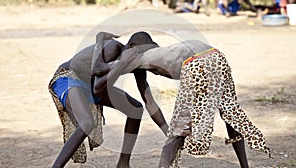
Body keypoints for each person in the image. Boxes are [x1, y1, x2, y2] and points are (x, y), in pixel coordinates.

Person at [94, 40, 271, 168]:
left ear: (132, 47)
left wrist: (99, 42)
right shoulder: (161, 51)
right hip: (217, 57)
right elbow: (149, 99)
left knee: (177, 131)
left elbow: (99, 70)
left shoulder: (135, 56)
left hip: (195, 64)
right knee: (229, 112)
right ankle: (244, 165)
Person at [48, 31, 168, 168]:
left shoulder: (137, 64)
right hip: (69, 78)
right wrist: (121, 63)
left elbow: (150, 103)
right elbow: (98, 86)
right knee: (87, 123)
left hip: (92, 85)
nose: (142, 58)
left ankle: (123, 163)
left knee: (135, 109)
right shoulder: (113, 47)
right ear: (130, 46)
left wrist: (169, 134)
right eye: (140, 53)